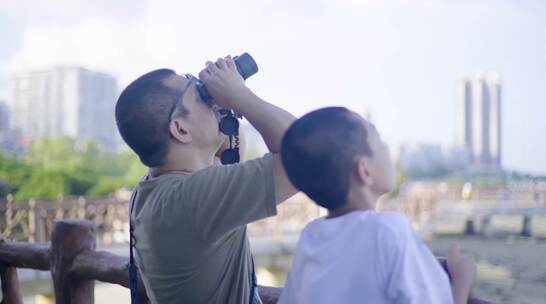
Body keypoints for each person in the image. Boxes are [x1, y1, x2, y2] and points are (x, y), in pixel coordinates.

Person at [115, 56, 297, 303]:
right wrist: (240, 96)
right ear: (180, 129)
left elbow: (229, 152)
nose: (208, 98)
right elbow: (307, 156)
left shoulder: (151, 190)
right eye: (199, 94)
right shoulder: (194, 199)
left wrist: (219, 104)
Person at [278, 107, 476, 304]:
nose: (387, 147)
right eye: (379, 138)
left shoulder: (311, 236)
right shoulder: (388, 230)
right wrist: (461, 279)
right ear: (364, 171)